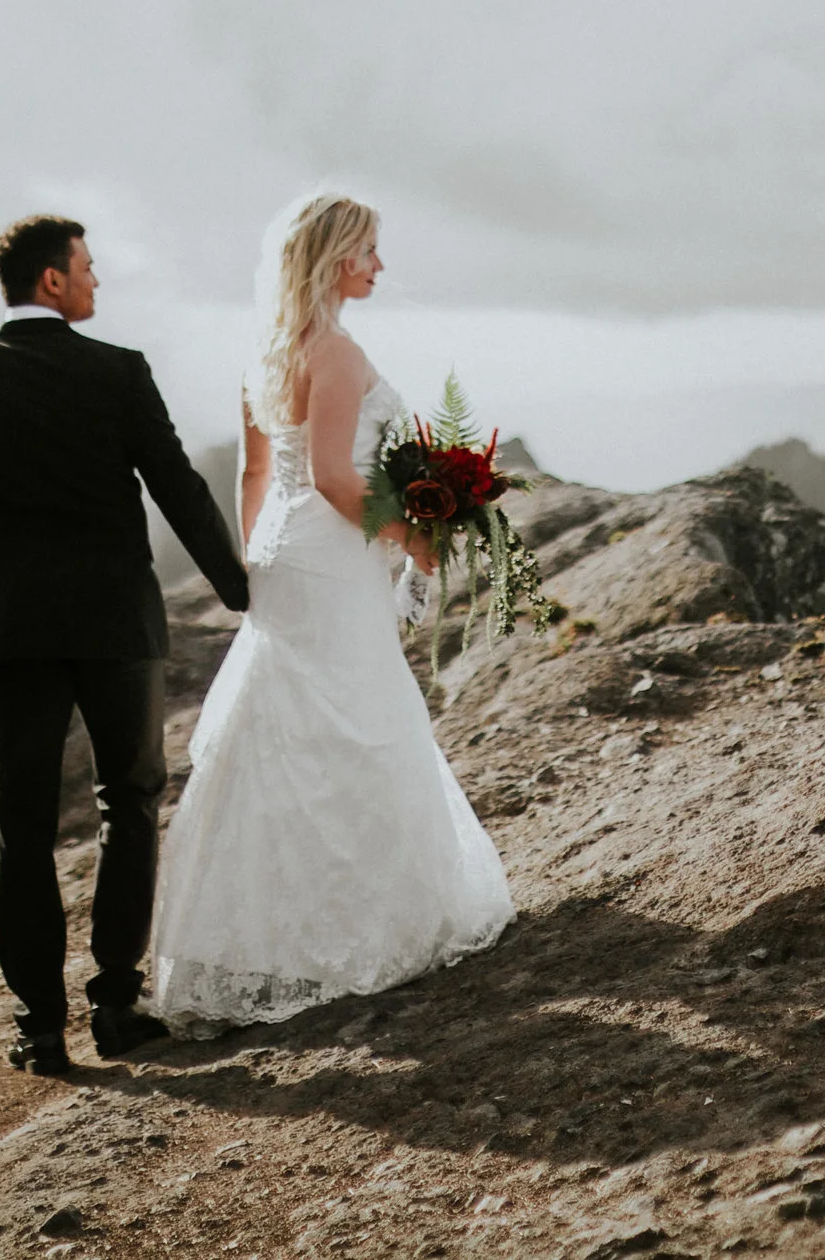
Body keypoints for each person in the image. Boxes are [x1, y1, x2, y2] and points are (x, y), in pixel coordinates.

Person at [146, 193, 514, 1034]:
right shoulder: (337, 352)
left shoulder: (268, 352)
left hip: (282, 551)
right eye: (371, 250)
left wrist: (259, 562)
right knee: (358, 716)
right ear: (336, 256)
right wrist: (414, 535)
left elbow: (253, 476)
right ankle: (363, 924)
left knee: (287, 725)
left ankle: (257, 933)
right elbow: (333, 476)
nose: (380, 266)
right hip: (327, 549)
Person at [0, 214, 250, 1075]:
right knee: (129, 802)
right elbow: (178, 488)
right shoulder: (118, 372)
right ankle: (116, 1004)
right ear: (53, 282)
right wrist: (244, 589)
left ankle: (39, 1027)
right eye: (89, 268)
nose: (98, 281)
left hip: (17, 635)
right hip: (116, 625)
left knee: (22, 826)